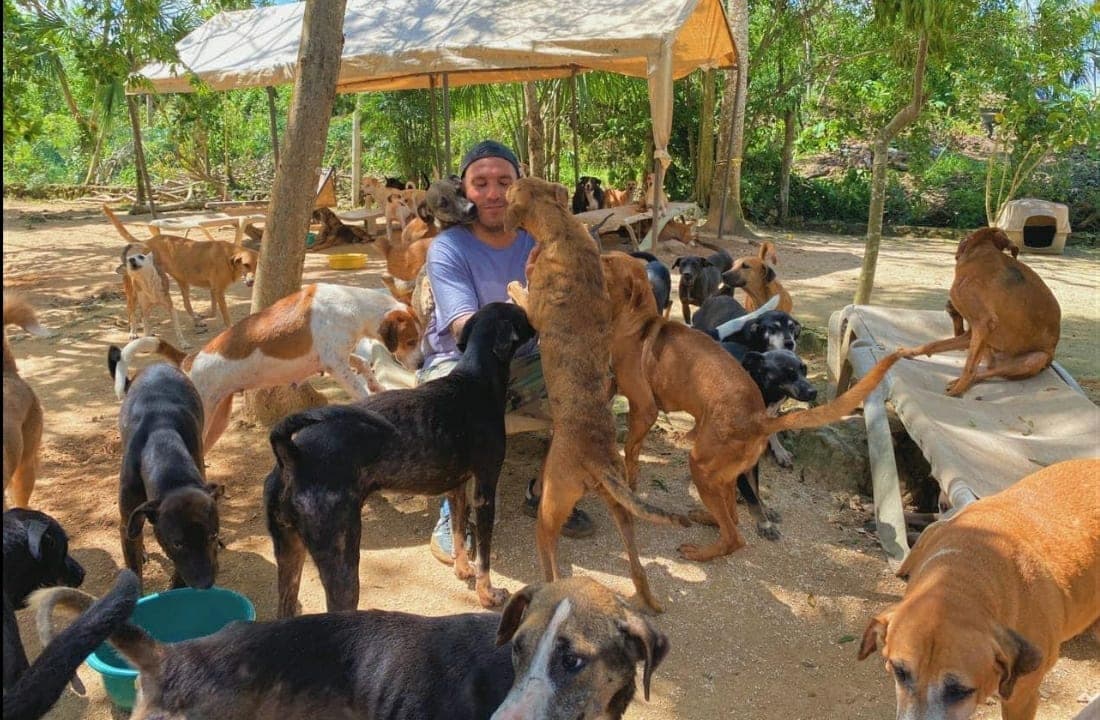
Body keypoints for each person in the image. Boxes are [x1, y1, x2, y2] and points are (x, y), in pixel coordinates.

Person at [421, 140, 596, 565]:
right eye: (480, 183)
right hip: (465, 363)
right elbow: (464, 330)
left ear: (521, 188)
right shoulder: (448, 248)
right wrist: (531, 307)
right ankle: (454, 511)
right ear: (465, 191)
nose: (494, 193)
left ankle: (545, 491)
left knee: (594, 384)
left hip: (529, 358)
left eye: (504, 181)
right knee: (445, 398)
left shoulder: (541, 240)